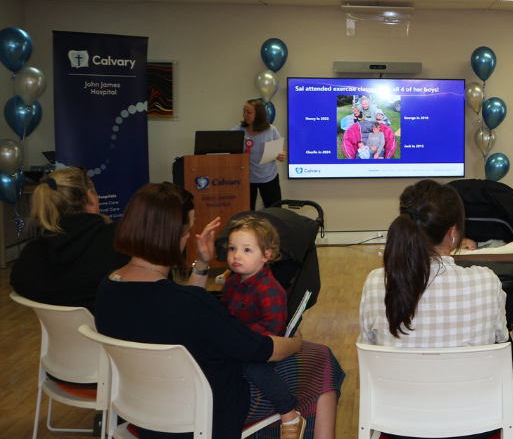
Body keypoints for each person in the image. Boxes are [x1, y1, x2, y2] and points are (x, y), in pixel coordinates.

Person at [94, 183, 342, 439]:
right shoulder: (188, 304)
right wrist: (295, 342)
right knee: (321, 357)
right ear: (173, 235)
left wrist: (202, 263)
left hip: (142, 407)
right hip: (205, 413)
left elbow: (181, 307)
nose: (189, 236)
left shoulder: (108, 287)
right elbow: (260, 349)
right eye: (189, 229)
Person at [359, 180, 508, 348]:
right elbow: (501, 337)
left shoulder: (376, 282)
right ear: (452, 233)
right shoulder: (486, 281)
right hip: (470, 374)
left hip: (398, 374)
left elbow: (367, 345)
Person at [219, 215, 305, 438]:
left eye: (247, 250)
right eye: (232, 248)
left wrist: (241, 338)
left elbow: (273, 325)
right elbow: (223, 313)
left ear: (266, 255)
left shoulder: (268, 288)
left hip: (261, 344)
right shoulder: (232, 283)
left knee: (255, 370)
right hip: (236, 341)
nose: (236, 255)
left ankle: (290, 415)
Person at [10, 167, 128, 313]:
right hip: (113, 333)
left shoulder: (31, 255)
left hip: (60, 335)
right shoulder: (122, 240)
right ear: (90, 198)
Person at [235, 99, 285, 209]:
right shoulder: (237, 131)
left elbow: (282, 150)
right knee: (247, 212)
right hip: (246, 178)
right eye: (244, 111)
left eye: (249, 112)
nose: (245, 115)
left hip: (269, 177)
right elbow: (229, 153)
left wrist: (282, 155)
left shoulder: (271, 130)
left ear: (258, 114)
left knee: (274, 211)